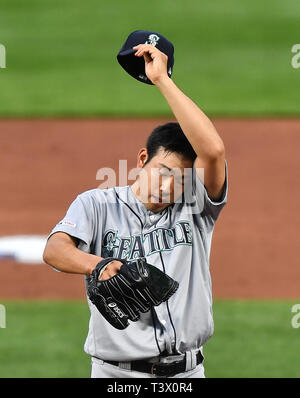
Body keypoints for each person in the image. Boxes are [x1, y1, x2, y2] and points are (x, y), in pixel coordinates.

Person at [43, 43, 228, 378]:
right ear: (143, 160)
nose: (169, 186)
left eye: (181, 179)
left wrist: (161, 80)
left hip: (187, 375)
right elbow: (55, 249)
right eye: (163, 171)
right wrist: (98, 264)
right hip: (117, 375)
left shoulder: (196, 209)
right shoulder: (95, 204)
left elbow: (213, 150)